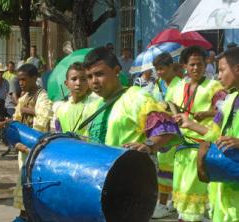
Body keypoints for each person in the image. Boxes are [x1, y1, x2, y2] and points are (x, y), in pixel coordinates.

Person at [174, 46, 239, 222]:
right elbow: (214, 133)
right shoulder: (229, 101)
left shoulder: (216, 90)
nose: (218, 76)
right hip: (226, 181)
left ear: (237, 69)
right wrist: (190, 124)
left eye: (222, 70)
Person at [83, 46, 181, 153]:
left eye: (99, 74)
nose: (94, 81)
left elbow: (166, 129)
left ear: (116, 71)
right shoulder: (93, 107)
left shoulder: (136, 97)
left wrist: (147, 145)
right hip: (100, 168)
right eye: (89, 77)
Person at [0, 64, 53, 222]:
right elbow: (17, 118)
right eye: (19, 80)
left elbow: (44, 116)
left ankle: (26, 216)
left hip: (35, 146)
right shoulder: (23, 97)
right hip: (22, 146)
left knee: (31, 182)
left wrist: (27, 110)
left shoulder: (42, 96)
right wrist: (5, 123)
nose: (20, 83)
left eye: (24, 79)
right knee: (24, 181)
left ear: (34, 78)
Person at [151, 52, 182, 219]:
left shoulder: (180, 85)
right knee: (163, 169)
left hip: (175, 133)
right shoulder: (157, 85)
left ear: (171, 67)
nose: (160, 72)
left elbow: (182, 109)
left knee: (173, 169)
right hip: (161, 131)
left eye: (162, 69)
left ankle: (167, 204)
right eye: (157, 69)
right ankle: (165, 204)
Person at [54, 62, 97, 136]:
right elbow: (58, 133)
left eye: (83, 79)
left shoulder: (95, 105)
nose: (78, 83)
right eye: (74, 79)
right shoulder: (61, 109)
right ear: (66, 83)